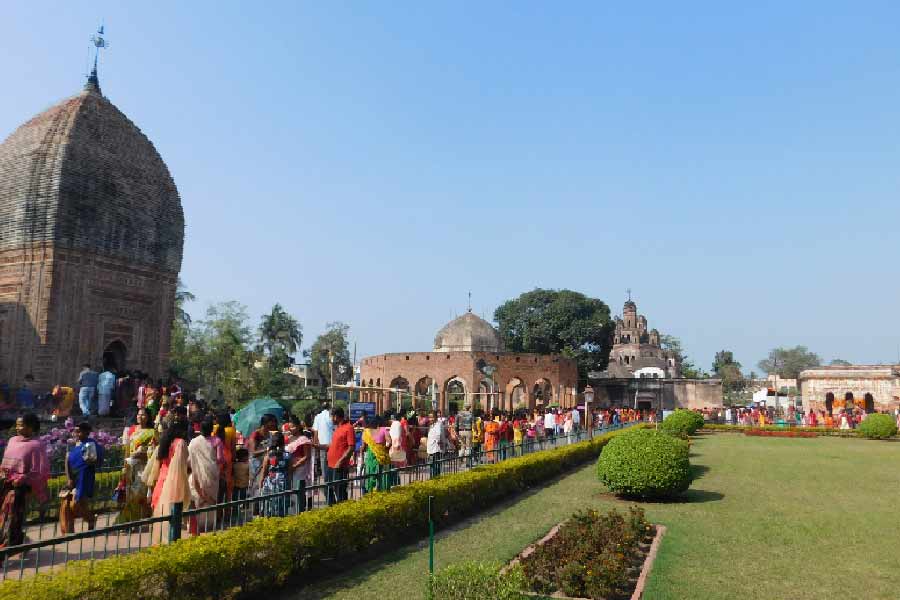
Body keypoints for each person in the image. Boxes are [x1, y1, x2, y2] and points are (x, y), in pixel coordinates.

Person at [0, 414, 49, 557]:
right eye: (17, 424)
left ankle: (7, 548)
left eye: (20, 425)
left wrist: (22, 478)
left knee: (11, 518)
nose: (17, 427)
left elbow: (39, 471)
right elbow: (5, 462)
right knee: (4, 516)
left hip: (21, 488)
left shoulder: (36, 445)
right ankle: (21, 542)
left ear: (31, 427)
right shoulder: (12, 441)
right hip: (5, 484)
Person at [148, 407, 191, 541]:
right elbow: (181, 466)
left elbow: (159, 461)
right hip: (173, 480)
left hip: (162, 477)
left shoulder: (165, 441)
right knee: (171, 511)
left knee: (160, 510)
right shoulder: (181, 443)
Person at [60, 422, 102, 533]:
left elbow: (94, 461)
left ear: (87, 432)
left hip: (85, 476)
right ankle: (71, 529)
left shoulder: (91, 444)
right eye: (75, 431)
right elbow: (67, 461)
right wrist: (69, 479)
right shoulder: (72, 445)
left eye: (79, 431)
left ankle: (90, 519)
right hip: (73, 476)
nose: (77, 434)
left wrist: (90, 458)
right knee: (71, 503)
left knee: (77, 503)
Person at [116, 408, 157, 522]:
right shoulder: (133, 432)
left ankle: (138, 519)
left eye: (143, 415)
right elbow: (127, 450)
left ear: (148, 417)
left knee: (139, 494)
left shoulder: (152, 432)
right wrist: (125, 466)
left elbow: (154, 451)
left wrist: (142, 454)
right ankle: (133, 520)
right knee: (131, 494)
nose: (140, 417)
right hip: (131, 467)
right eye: (138, 414)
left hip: (143, 467)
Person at [188, 418, 220, 533]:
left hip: (196, 475)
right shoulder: (216, 441)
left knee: (197, 499)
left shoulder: (193, 442)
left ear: (200, 429)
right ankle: (209, 526)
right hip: (212, 475)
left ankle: (195, 526)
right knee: (210, 500)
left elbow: (189, 460)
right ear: (211, 429)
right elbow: (220, 459)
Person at [326, 407, 355, 505]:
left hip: (340, 466)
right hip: (330, 465)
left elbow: (351, 448)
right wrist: (318, 446)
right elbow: (333, 445)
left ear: (336, 416)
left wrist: (340, 461)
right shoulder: (338, 428)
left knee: (340, 491)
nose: (331, 419)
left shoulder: (349, 428)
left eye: (331, 417)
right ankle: (333, 509)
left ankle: (342, 509)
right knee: (328, 489)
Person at [260, 432, 292, 517]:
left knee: (270, 502)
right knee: (282, 502)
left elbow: (264, 471)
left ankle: (270, 517)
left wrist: (261, 482)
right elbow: (290, 470)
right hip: (283, 481)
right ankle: (281, 518)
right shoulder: (287, 455)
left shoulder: (268, 456)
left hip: (271, 481)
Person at [286, 415, 314, 511]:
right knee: (292, 493)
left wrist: (295, 466)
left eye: (293, 427)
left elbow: (307, 456)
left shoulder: (304, 439)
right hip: (290, 469)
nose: (291, 429)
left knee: (299, 492)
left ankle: (300, 510)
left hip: (300, 470)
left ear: (298, 427)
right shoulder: (289, 438)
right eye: (290, 427)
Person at [247, 415, 277, 497]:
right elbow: (253, 453)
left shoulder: (270, 434)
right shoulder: (255, 434)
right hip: (256, 464)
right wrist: (267, 449)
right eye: (272, 422)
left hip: (266, 463)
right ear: (265, 423)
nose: (273, 424)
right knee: (256, 486)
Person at [361, 416, 391, 493]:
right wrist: (385, 450)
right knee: (383, 477)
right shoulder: (383, 429)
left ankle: (370, 493)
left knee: (370, 477)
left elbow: (363, 447)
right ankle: (383, 493)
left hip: (370, 458)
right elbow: (389, 442)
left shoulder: (366, 432)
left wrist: (362, 459)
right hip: (382, 457)